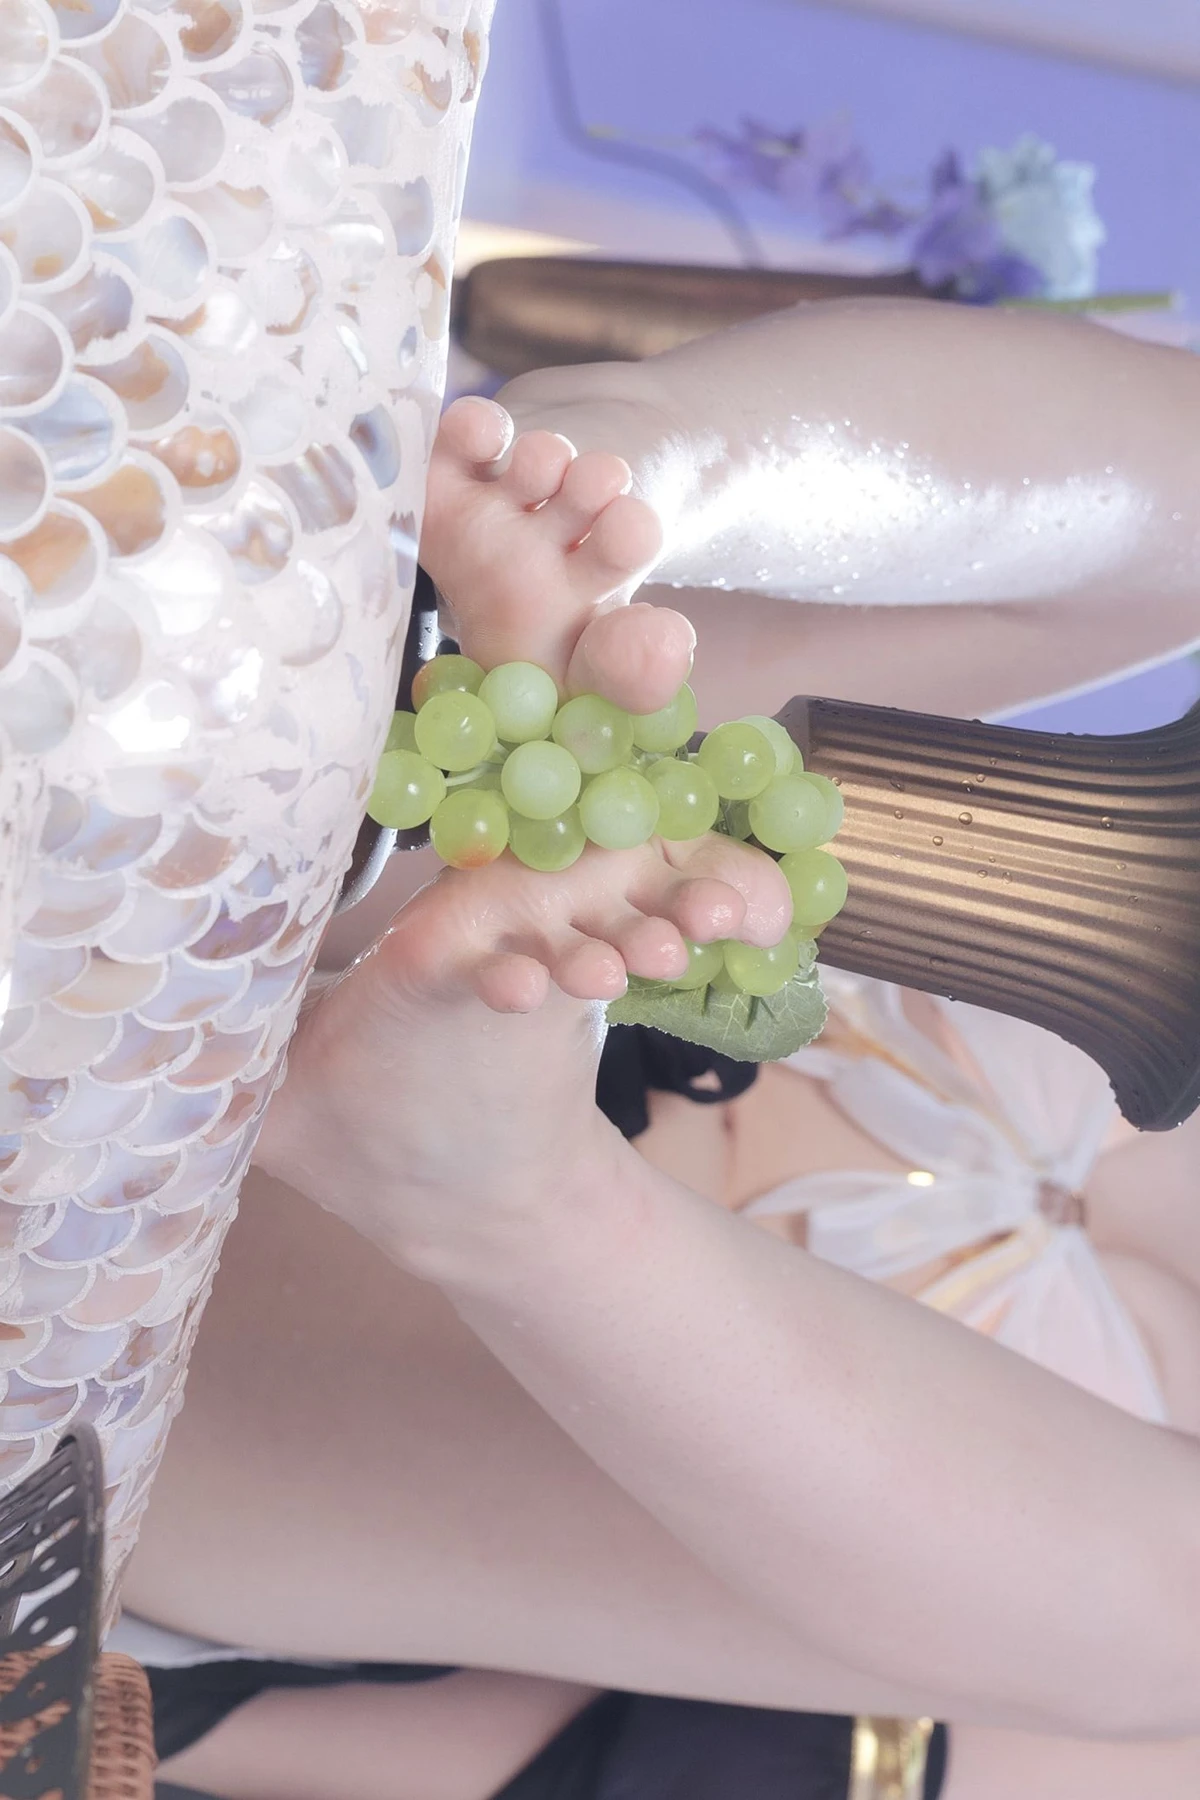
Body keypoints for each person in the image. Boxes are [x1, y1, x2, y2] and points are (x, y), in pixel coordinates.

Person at [115, 300, 1200, 1799]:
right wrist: (642, 480)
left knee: (1176, 1634)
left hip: (275, 1375)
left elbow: (634, 1761)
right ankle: (623, 492)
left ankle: (504, 1188)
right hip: (461, 846)